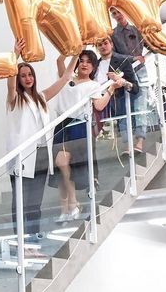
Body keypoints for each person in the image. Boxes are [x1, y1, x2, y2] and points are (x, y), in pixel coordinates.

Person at [6, 38, 74, 242]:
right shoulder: (14, 99)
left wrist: (77, 54)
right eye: (23, 76)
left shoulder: (41, 97)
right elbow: (9, 82)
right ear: (18, 79)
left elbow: (65, 79)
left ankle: (33, 237)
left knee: (35, 202)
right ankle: (20, 239)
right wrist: (14, 55)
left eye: (30, 75)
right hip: (22, 155)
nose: (27, 78)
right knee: (20, 200)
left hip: (42, 153)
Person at [50, 51, 124, 221]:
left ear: (93, 66)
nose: (84, 64)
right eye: (81, 61)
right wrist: (74, 49)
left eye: (88, 62)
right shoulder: (67, 77)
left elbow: (98, 106)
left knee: (66, 164)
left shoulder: (93, 85)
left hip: (79, 124)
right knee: (60, 164)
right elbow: (59, 60)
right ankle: (68, 206)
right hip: (62, 123)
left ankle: (71, 204)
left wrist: (111, 88)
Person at [110, 6, 149, 152]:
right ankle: (127, 143)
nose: (117, 15)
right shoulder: (113, 34)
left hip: (141, 71)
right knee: (123, 108)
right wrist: (133, 58)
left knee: (140, 106)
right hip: (124, 73)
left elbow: (149, 43)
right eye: (114, 13)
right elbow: (113, 55)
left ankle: (140, 140)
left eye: (119, 11)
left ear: (125, 11)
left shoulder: (137, 29)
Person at [95, 35, 139, 153]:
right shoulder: (95, 64)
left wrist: (122, 82)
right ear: (96, 48)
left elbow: (135, 87)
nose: (103, 46)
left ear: (111, 44)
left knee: (122, 119)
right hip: (100, 102)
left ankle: (127, 146)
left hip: (117, 99)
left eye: (105, 43)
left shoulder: (121, 60)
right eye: (100, 45)